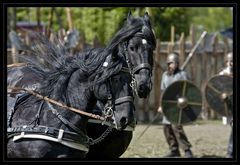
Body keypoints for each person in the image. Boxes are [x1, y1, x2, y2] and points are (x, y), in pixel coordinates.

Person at [157, 52, 193, 158]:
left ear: (177, 63)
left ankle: (187, 150)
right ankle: (174, 150)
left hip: (178, 106)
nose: (172, 65)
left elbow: (188, 90)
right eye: (170, 63)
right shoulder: (165, 75)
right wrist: (161, 105)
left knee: (176, 127)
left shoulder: (182, 75)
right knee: (166, 128)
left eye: (174, 63)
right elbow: (163, 91)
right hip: (168, 105)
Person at [218, 52, 233, 158]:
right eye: (229, 61)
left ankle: (230, 151)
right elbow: (217, 88)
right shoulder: (222, 74)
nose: (230, 63)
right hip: (229, 105)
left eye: (232, 61)